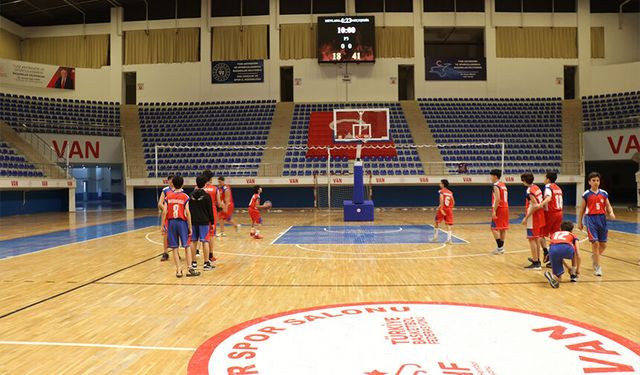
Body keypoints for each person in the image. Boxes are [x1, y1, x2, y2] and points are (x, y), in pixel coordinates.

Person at [578, 172, 615, 277]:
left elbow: (608, 205)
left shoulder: (604, 193)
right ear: (589, 182)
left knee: (603, 245)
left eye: (597, 180)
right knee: (595, 243)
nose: (596, 182)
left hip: (602, 219)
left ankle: (595, 256)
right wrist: (580, 222)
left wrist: (611, 212)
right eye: (593, 180)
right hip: (591, 219)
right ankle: (598, 267)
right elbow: (581, 210)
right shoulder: (586, 194)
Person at [161, 176, 199, 278]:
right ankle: (190, 268)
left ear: (173, 183)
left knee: (174, 248)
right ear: (182, 184)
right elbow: (187, 212)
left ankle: (178, 270)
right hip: (182, 223)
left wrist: (162, 225)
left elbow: (164, 212)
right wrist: (190, 226)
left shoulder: (168, 196)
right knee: (186, 246)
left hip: (171, 223)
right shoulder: (185, 196)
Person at [544, 221, 581, 288]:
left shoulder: (554, 234)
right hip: (566, 249)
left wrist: (567, 267)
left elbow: (557, 251)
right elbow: (578, 254)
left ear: (560, 229)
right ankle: (573, 274)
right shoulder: (572, 235)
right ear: (572, 230)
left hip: (552, 251)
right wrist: (578, 270)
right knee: (574, 250)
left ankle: (552, 276)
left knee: (559, 278)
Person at [190, 175, 215, 271]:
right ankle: (206, 263)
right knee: (205, 241)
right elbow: (210, 210)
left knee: (193, 241)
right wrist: (212, 222)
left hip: (193, 221)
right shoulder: (207, 196)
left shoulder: (191, 195)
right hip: (204, 221)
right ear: (205, 184)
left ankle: (193, 263)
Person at [521, 172, 546, 270]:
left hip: (533, 217)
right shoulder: (537, 187)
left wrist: (526, 218)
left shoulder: (529, 191)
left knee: (532, 239)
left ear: (524, 181)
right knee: (536, 238)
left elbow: (535, 205)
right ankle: (537, 259)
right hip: (540, 215)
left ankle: (536, 263)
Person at [540, 171, 564, 268]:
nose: (544, 179)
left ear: (548, 179)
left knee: (540, 234)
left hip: (551, 213)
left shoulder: (548, 187)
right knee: (554, 237)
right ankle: (555, 260)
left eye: (544, 177)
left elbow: (549, 198)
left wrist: (540, 204)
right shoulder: (558, 188)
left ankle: (546, 253)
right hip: (560, 212)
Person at [202, 170, 224, 262]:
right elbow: (219, 204)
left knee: (199, 234)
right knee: (211, 234)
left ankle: (195, 256)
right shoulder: (215, 189)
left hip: (200, 212)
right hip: (212, 212)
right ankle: (210, 255)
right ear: (211, 178)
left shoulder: (198, 188)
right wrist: (222, 204)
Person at [490, 169, 509, 254]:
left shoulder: (496, 185)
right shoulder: (503, 185)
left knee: (493, 228)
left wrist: (494, 210)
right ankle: (500, 248)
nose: (490, 178)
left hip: (499, 208)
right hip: (506, 207)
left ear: (495, 176)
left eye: (491, 176)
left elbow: (497, 198)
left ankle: (500, 247)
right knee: (503, 229)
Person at [157, 175, 174, 262]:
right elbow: (160, 203)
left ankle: (176, 253)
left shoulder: (179, 190)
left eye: (172, 181)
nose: (171, 182)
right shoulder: (165, 190)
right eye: (170, 181)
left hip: (176, 215)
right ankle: (165, 252)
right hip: (167, 215)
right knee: (165, 234)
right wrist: (165, 209)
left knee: (176, 234)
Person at [433, 179, 455, 243]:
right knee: (449, 224)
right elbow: (453, 202)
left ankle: (435, 237)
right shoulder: (450, 192)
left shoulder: (441, 191)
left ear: (443, 184)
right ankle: (449, 239)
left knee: (436, 222)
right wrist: (450, 208)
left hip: (443, 208)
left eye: (440, 183)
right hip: (449, 209)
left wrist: (441, 209)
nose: (439, 184)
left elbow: (441, 200)